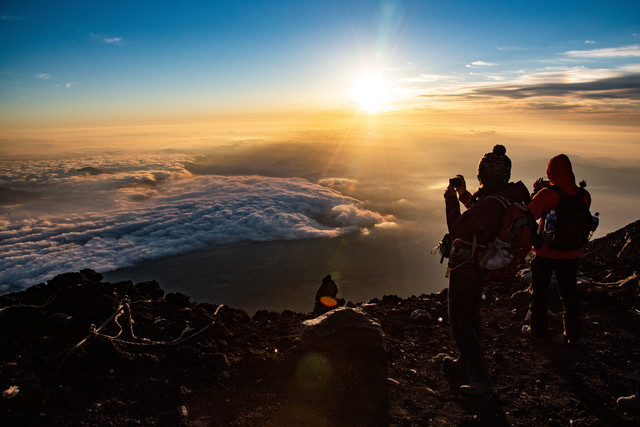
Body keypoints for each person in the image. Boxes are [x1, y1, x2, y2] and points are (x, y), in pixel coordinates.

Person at [443, 145, 530, 396]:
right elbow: (480, 215)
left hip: (467, 266)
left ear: (482, 174)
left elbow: (458, 228)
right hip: (481, 263)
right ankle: (466, 362)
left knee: (460, 320)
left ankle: (480, 379)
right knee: (470, 316)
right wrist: (463, 194)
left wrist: (450, 199)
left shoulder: (492, 203)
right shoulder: (506, 196)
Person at [523, 154, 591, 344]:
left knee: (540, 292)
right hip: (571, 253)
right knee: (569, 294)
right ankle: (573, 334)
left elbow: (530, 212)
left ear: (550, 172)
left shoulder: (547, 194)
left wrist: (536, 191)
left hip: (546, 251)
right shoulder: (583, 195)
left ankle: (537, 331)